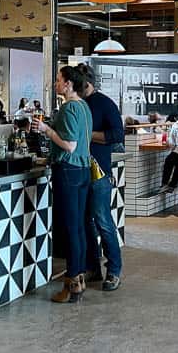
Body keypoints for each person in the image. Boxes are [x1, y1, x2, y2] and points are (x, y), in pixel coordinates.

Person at [32, 66, 92, 304]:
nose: (56, 84)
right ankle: (79, 278)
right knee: (78, 227)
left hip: (68, 171)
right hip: (83, 170)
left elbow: (69, 145)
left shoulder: (68, 108)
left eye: (58, 80)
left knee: (70, 230)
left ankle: (71, 283)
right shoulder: (84, 107)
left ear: (68, 84)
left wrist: (47, 130)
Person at [77, 64, 123, 292]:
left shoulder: (105, 104)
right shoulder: (76, 103)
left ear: (87, 83)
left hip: (99, 172)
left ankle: (114, 270)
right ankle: (92, 267)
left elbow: (117, 134)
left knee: (103, 222)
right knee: (85, 222)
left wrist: (87, 135)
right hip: (78, 171)